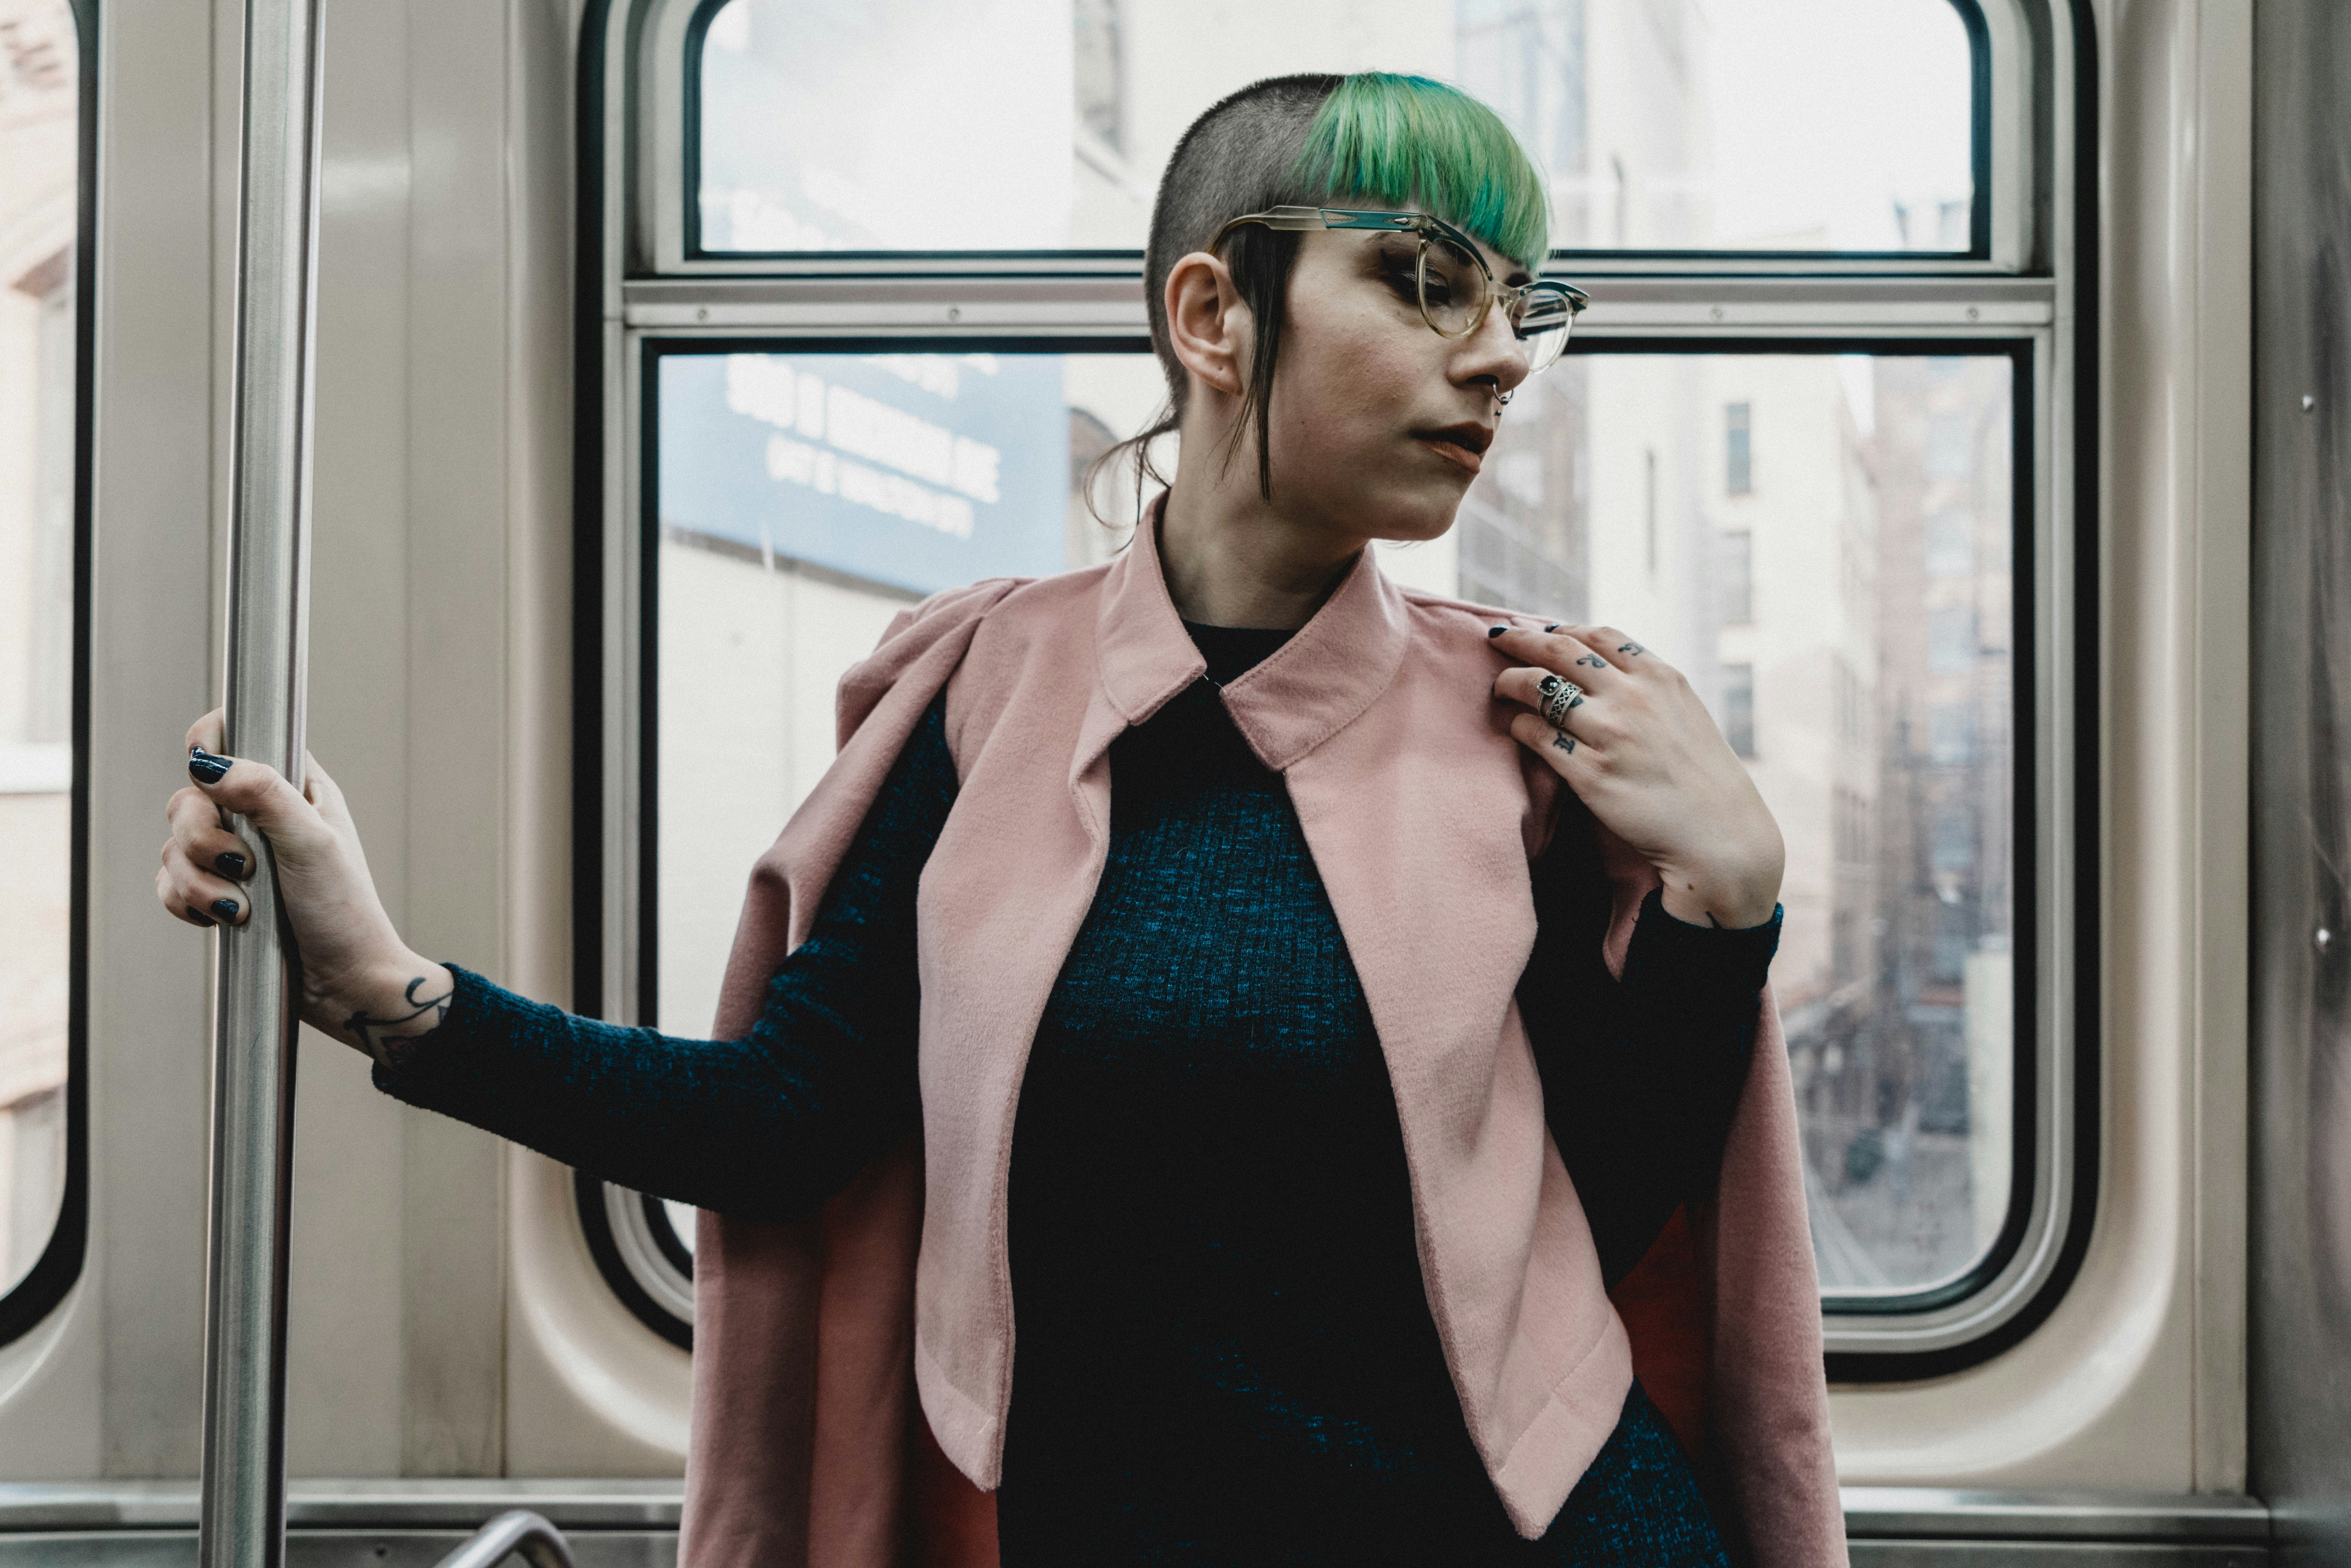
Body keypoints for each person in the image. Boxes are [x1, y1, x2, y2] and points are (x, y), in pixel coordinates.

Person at [157, 72, 1843, 1568]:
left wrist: (1735, 900)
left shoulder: (1532, 728)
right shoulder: (983, 690)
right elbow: (784, 1126)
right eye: (1424, 283)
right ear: (1214, 313)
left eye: (1517, 308)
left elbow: (1577, 1225)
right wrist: (389, 989)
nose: (1498, 359)